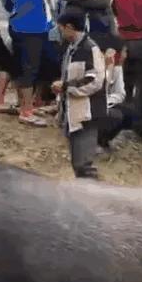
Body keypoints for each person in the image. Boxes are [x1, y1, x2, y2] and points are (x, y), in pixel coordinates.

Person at [2, 0, 60, 126]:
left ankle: (24, 106)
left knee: (20, 66)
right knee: (31, 69)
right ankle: (26, 111)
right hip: (35, 26)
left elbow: (5, 1)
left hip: (16, 25)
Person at [52, 10, 106, 179]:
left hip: (86, 114)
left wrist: (66, 86)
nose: (59, 32)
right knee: (78, 163)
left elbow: (95, 80)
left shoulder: (89, 48)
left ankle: (93, 200)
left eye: (61, 28)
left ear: (69, 27)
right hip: (74, 113)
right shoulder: (72, 49)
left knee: (84, 164)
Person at [113, 0, 142, 129]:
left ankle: (127, 122)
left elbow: (116, 15)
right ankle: (140, 126)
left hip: (125, 45)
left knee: (127, 85)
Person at [97, 50, 134, 149]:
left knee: (130, 113)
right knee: (116, 115)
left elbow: (120, 94)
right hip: (91, 106)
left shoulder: (117, 69)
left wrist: (107, 101)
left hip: (107, 103)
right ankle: (97, 141)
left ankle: (106, 140)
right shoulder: (93, 69)